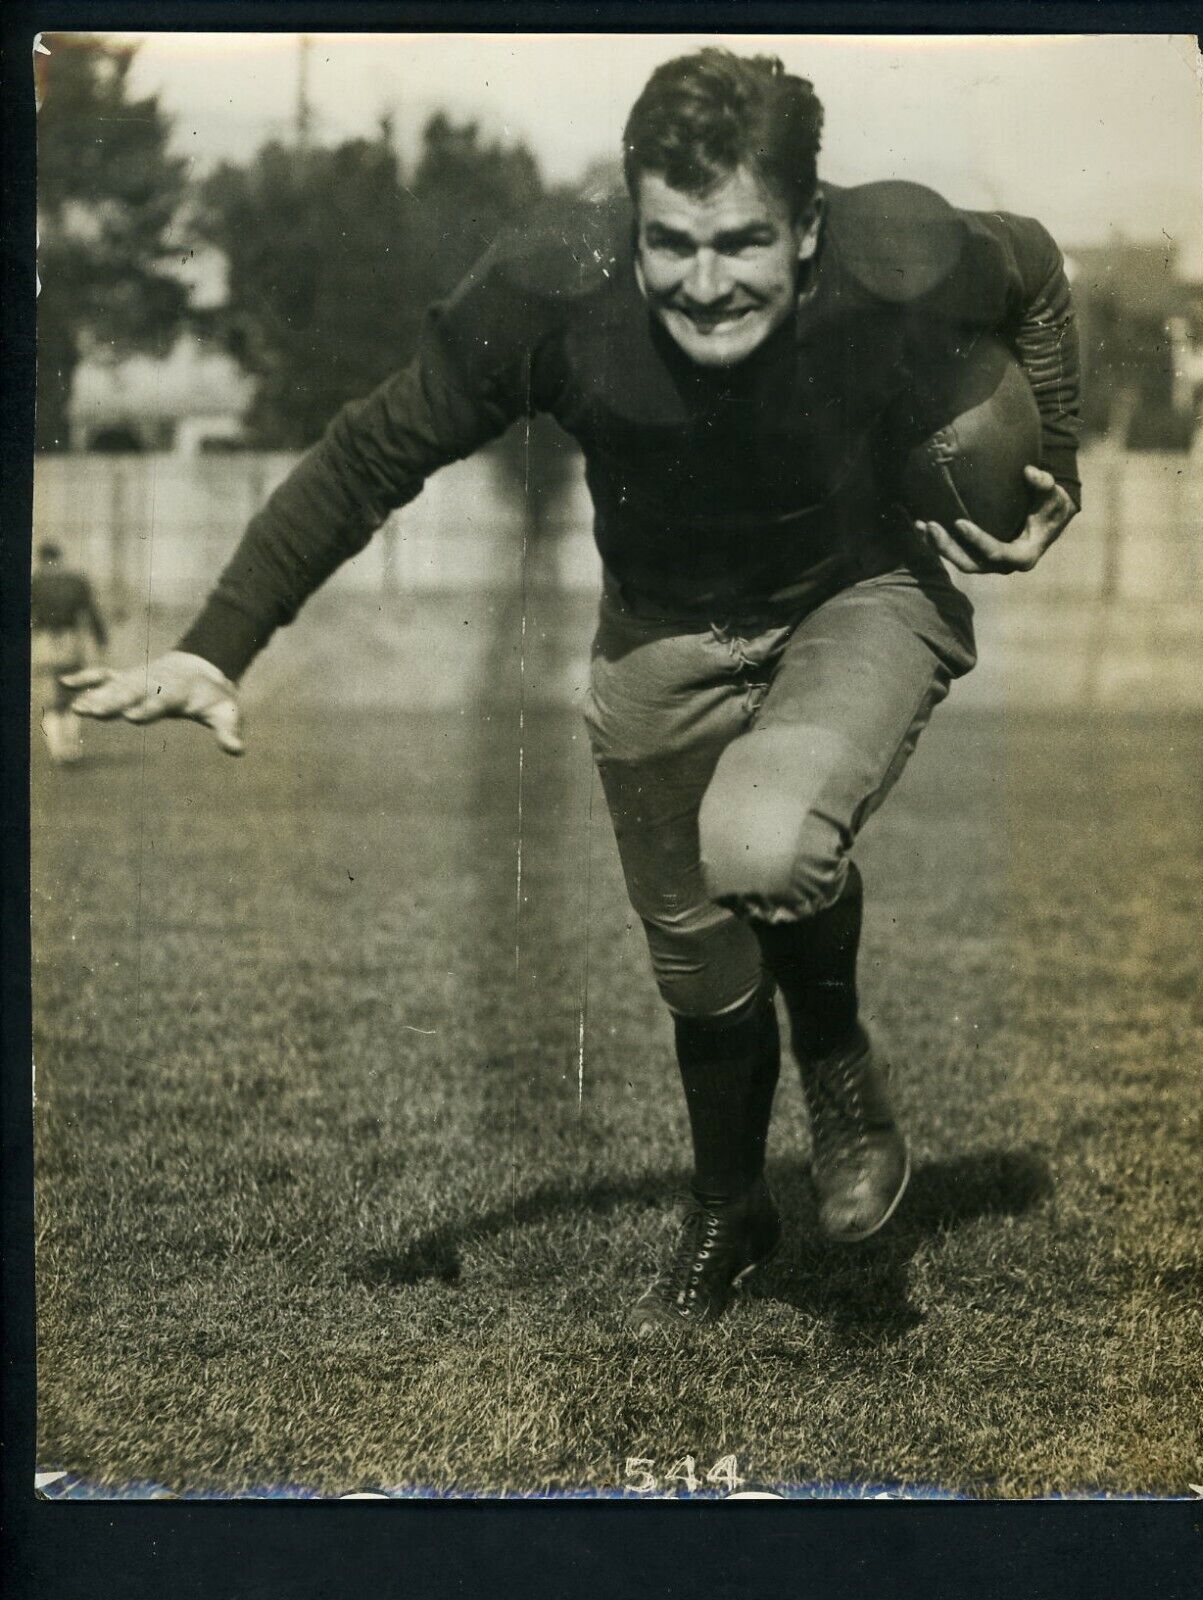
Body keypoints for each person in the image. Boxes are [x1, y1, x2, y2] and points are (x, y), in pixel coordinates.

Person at [67, 49, 1080, 1334]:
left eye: (741, 243)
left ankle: (833, 1050)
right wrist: (217, 643)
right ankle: (729, 1206)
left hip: (854, 594)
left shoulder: (896, 249)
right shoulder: (554, 290)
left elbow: (1038, 266)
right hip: (656, 631)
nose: (703, 284)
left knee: (761, 844)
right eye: (671, 242)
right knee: (693, 959)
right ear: (629, 217)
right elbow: (374, 449)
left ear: (808, 224)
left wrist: (1062, 452)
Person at [31, 542, 109, 765]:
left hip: (45, 641)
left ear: (41, 558)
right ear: (60, 556)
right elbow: (92, 613)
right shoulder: (77, 580)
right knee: (70, 696)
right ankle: (72, 747)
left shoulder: (35, 582)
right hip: (71, 641)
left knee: (50, 699)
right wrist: (101, 641)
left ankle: (57, 749)